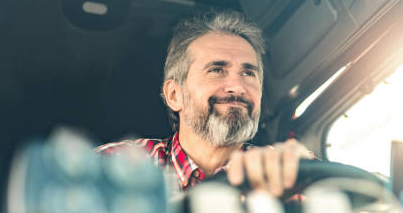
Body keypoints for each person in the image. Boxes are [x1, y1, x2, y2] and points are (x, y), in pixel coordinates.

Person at [96, 10, 312, 196]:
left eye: (248, 73)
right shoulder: (116, 167)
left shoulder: (289, 173)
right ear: (174, 95)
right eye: (217, 70)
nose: (237, 87)